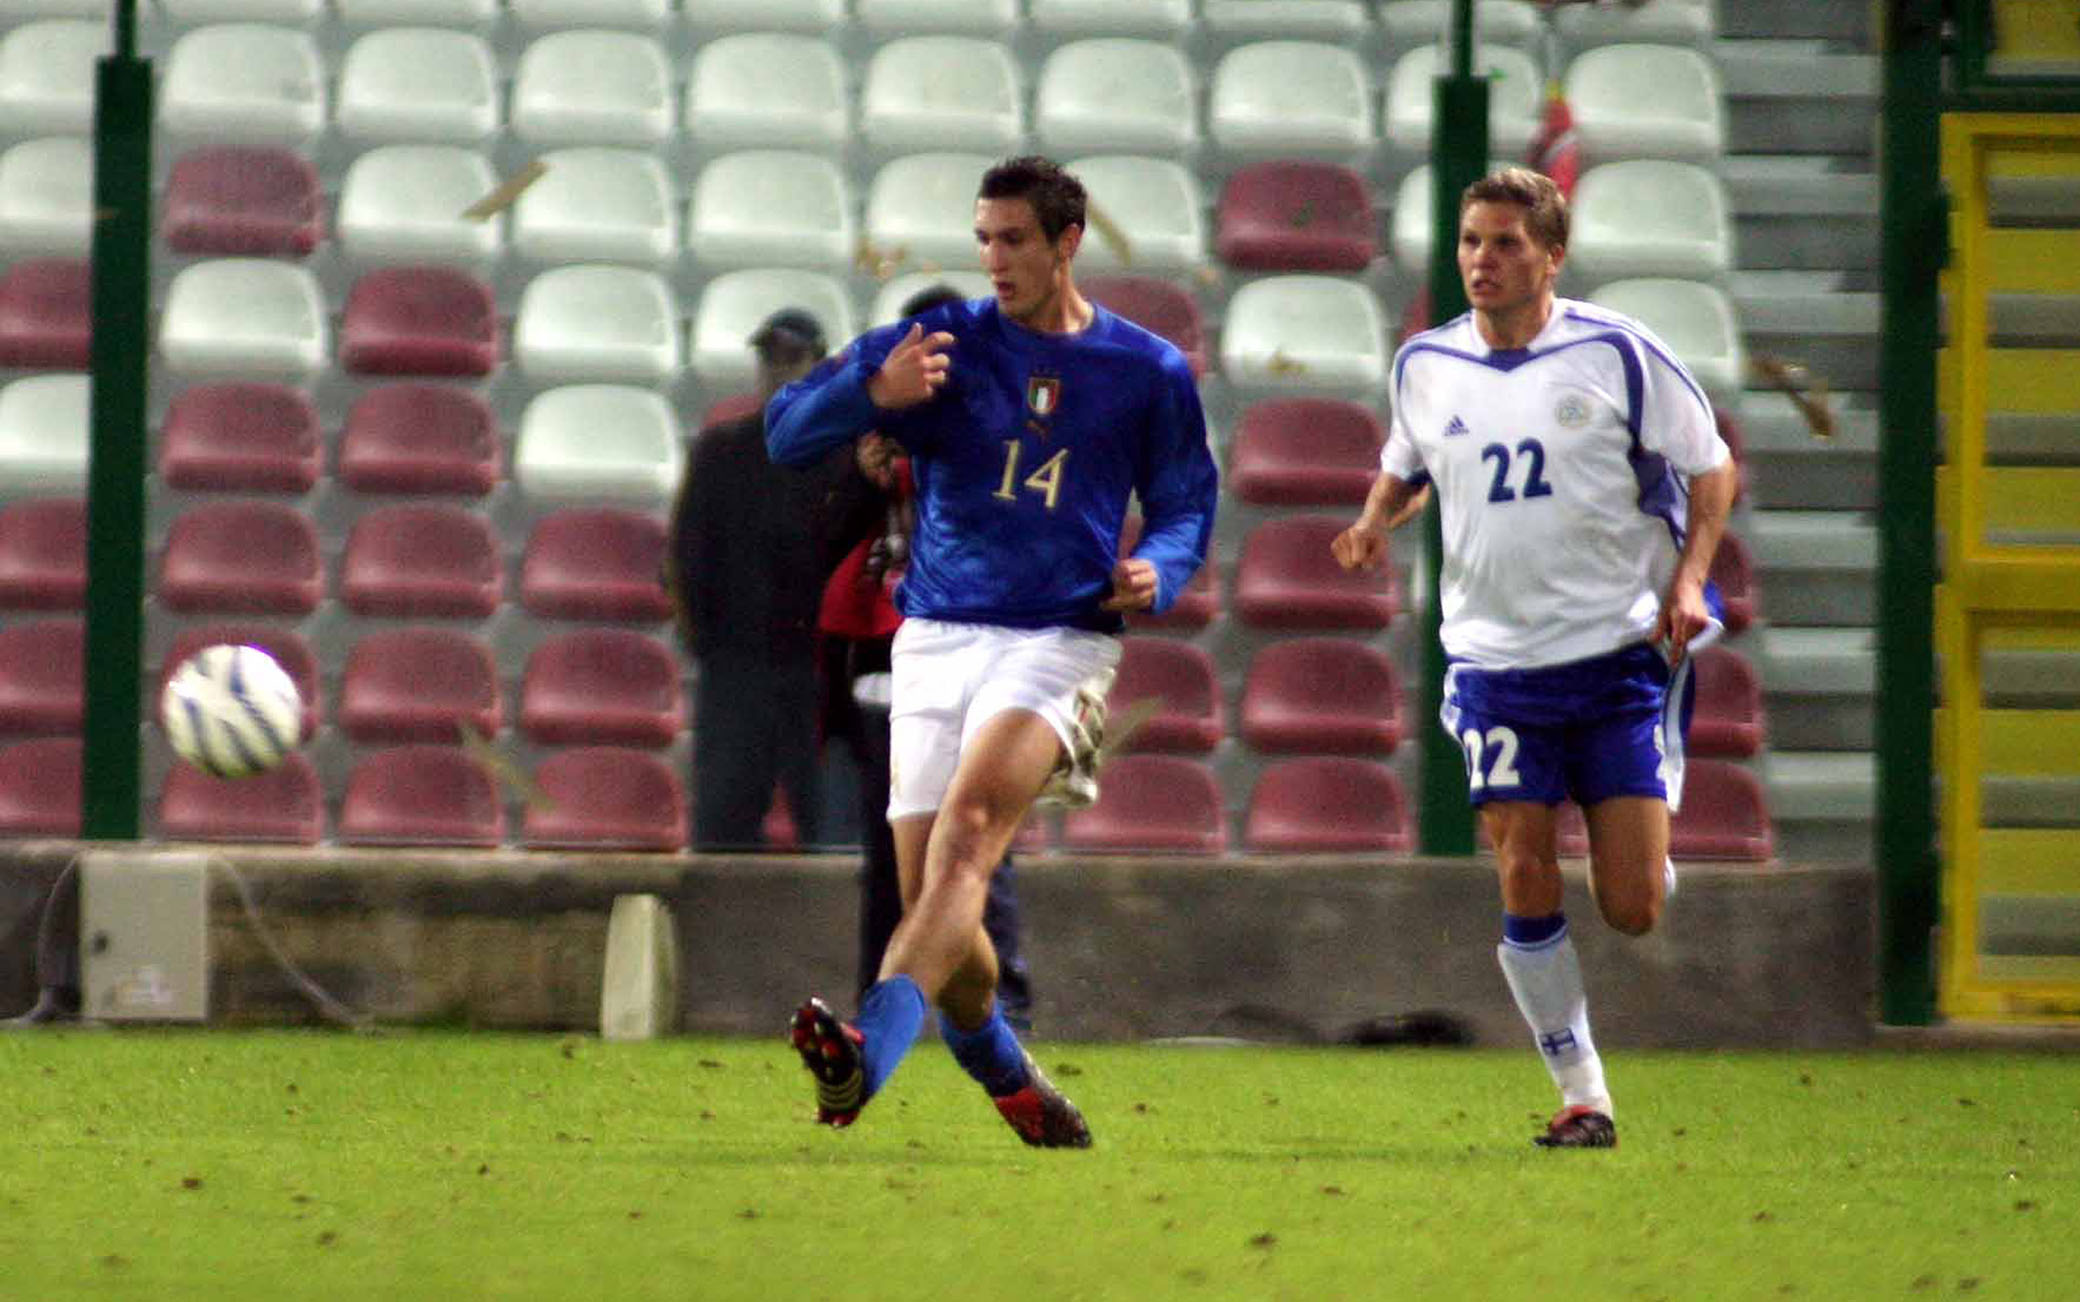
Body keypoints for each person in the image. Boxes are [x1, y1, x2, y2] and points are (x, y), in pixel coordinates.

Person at [767, 156, 1219, 1146]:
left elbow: (1186, 503)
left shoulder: (1144, 370)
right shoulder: (936, 347)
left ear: (1067, 243)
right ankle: (1015, 1085)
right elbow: (784, 434)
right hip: (933, 636)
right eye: (982, 239)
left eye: (1013, 239)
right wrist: (868, 394)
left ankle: (861, 1061)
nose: (994, 259)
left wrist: (1161, 570)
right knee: (943, 908)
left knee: (969, 836)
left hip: (1059, 638)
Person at [1333, 166, 1737, 1149]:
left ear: (1551, 256)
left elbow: (1710, 465)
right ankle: (1581, 1092)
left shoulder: (1615, 354)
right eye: (1471, 241)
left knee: (1633, 908)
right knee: (1520, 864)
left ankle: (1639, 856)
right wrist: (1371, 521)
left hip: (1614, 654)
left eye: (1506, 243)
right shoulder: (1424, 364)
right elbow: (1406, 462)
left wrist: (1688, 583)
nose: (1482, 259)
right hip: (1493, 666)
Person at [819, 283, 1033, 1029]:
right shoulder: (881, 433)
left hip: (987, 655)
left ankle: (1000, 1004)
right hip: (890, 663)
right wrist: (866, 472)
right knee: (894, 853)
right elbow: (830, 546)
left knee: (975, 843)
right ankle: (882, 1000)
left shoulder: (1005, 431)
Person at [667, 309, 878, 851]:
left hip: (824, 677)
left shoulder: (853, 462)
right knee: (721, 834)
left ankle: (838, 939)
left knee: (835, 841)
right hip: (739, 672)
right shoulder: (719, 453)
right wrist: (712, 649)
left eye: (792, 359)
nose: (778, 372)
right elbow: (685, 561)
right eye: (769, 359)